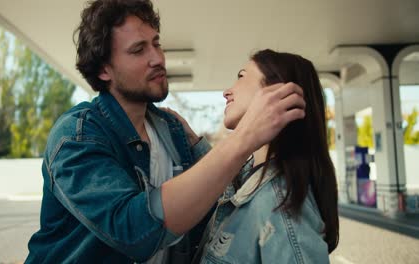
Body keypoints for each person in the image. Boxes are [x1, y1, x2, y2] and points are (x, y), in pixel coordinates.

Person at [25, 0, 306, 263]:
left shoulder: (172, 130)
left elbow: (220, 201)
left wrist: (198, 145)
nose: (157, 58)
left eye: (156, 44)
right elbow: (134, 230)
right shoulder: (77, 136)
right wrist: (244, 137)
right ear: (103, 70)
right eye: (138, 50)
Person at [194, 49, 339, 264]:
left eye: (241, 76)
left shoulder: (280, 204)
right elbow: (228, 181)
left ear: (275, 93)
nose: (227, 92)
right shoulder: (249, 176)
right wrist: (195, 143)